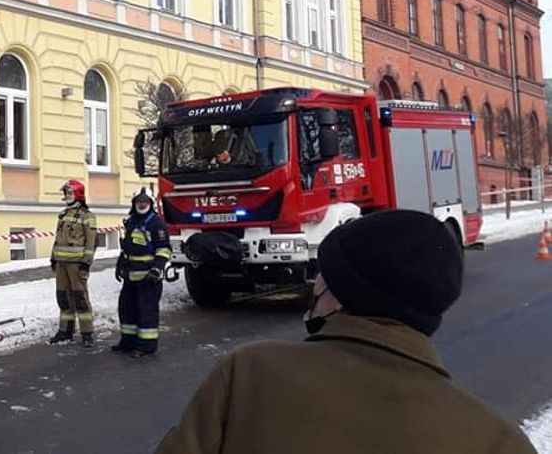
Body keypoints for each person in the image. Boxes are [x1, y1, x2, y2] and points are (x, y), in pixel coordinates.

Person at [155, 209, 537, 454]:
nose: (314, 288)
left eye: (323, 278)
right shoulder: (499, 441)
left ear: (339, 297)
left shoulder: (250, 375)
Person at [112, 187, 170, 357]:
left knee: (146, 312)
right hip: (130, 275)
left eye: (145, 201)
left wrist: (156, 269)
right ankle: (128, 342)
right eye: (139, 201)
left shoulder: (156, 224)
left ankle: (146, 346)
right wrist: (119, 265)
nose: (141, 204)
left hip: (148, 277)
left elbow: (163, 249)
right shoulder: (131, 221)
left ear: (150, 203)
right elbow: (127, 249)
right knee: (126, 308)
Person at [48, 179, 98, 347]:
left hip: (77, 265)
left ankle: (87, 333)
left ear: (77, 194)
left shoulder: (87, 216)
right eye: (66, 193)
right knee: (63, 298)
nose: (67, 195)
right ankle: (65, 331)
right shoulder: (63, 214)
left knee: (80, 298)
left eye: (70, 192)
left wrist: (86, 263)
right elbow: (58, 239)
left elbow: (91, 243)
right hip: (61, 264)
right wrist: (53, 257)